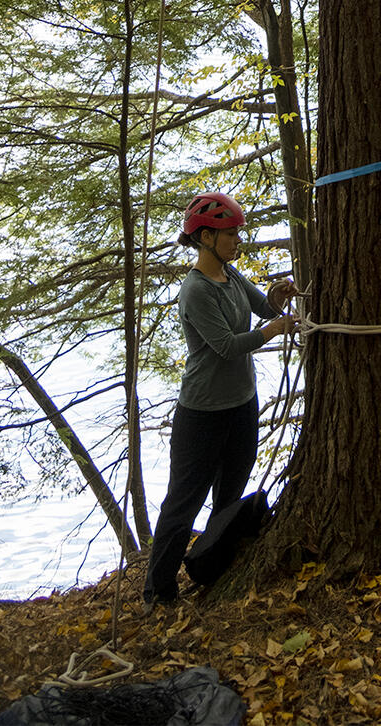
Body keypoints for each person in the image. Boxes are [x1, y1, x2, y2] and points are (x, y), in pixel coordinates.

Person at [143, 190, 296, 607]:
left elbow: (263, 308)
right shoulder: (195, 290)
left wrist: (278, 298)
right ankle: (158, 591)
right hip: (202, 414)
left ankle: (212, 570)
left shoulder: (230, 276)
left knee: (230, 496)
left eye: (237, 233)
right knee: (183, 503)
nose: (237, 240)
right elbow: (227, 346)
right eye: (230, 234)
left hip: (241, 405)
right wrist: (274, 331)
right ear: (206, 237)